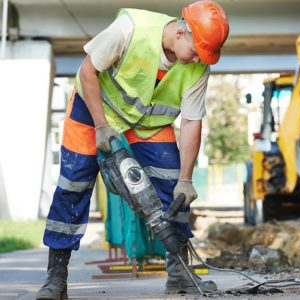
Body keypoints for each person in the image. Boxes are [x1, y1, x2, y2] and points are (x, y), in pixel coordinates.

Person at [36, 1, 229, 299]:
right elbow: (87, 72)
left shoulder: (199, 67)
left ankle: (180, 275)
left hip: (147, 123)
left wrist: (186, 179)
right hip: (93, 110)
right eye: (196, 51)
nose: (197, 60)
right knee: (73, 186)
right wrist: (101, 126)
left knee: (174, 187)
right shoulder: (131, 28)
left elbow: (192, 122)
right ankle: (56, 278)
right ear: (181, 33)